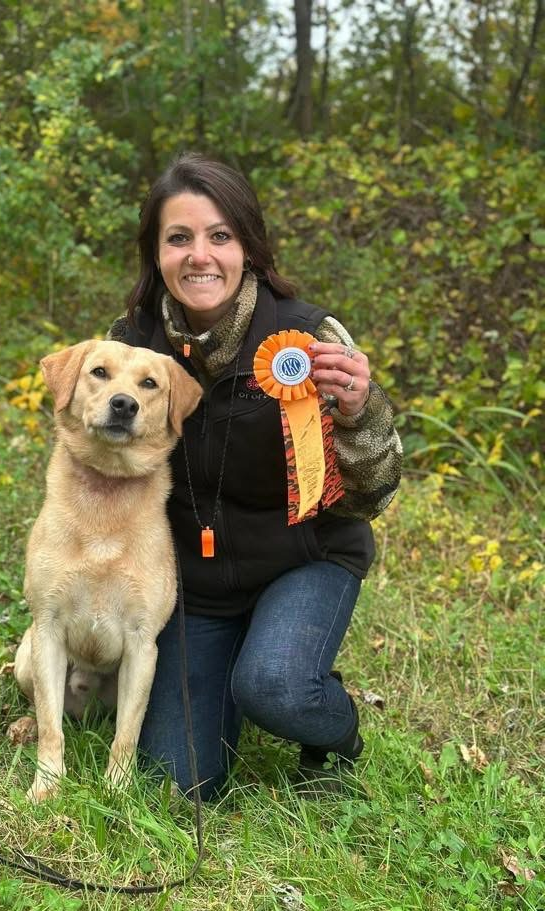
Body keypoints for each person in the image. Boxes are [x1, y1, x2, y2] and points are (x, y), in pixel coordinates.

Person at [107, 153, 401, 800]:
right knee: (176, 783)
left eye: (220, 235)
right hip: (196, 585)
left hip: (305, 559)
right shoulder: (130, 344)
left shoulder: (309, 338)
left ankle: (329, 728)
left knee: (277, 687)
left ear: (248, 247)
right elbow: (103, 470)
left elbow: (371, 496)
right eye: (178, 238)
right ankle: (240, 669)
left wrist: (360, 414)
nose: (200, 256)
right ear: (155, 253)